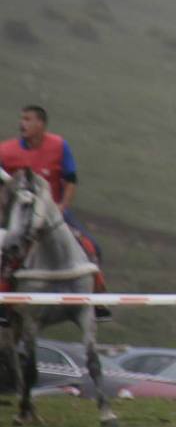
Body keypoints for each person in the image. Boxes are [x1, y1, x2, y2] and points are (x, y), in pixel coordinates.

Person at [0, 105, 110, 320]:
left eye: (28, 119)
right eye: (22, 118)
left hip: (53, 213)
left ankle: (98, 299)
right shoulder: (6, 151)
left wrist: (62, 206)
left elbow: (71, 180)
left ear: (41, 124)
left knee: (91, 246)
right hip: (20, 215)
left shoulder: (59, 146)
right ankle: (3, 304)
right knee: (5, 254)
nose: (22, 123)